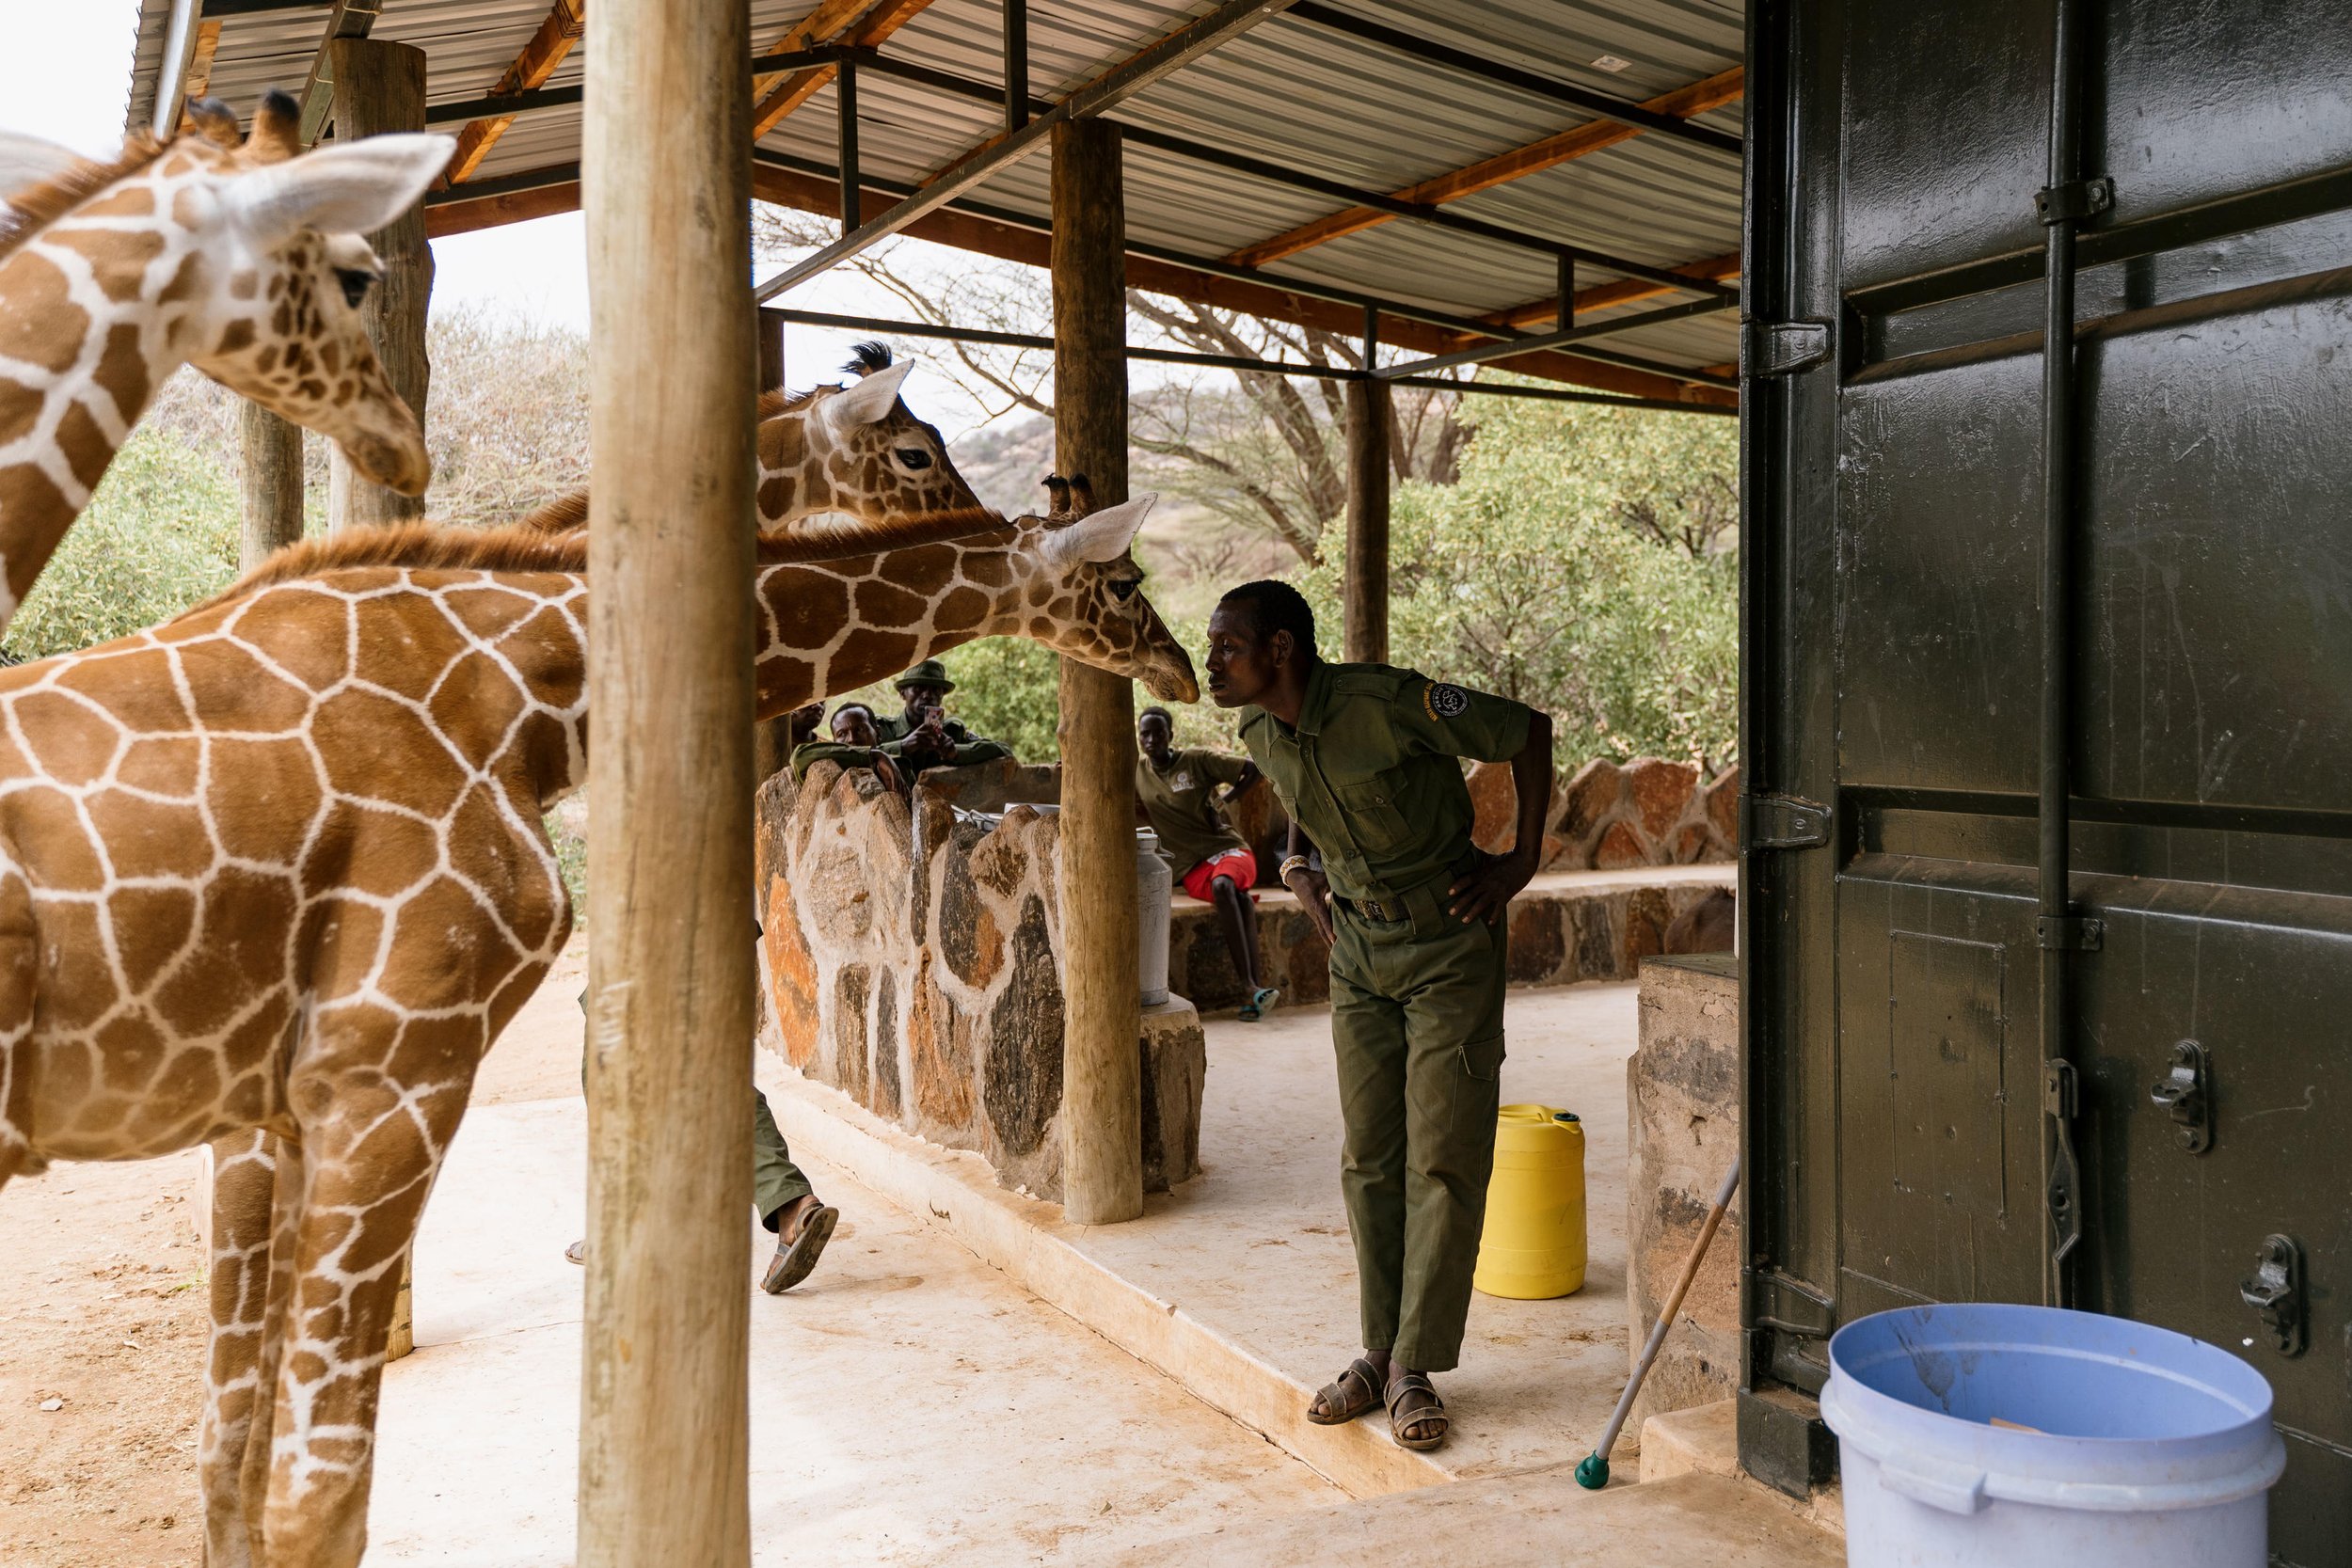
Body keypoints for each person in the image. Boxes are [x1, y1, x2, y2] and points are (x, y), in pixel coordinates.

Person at [1205, 578, 1552, 1454]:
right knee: (1370, 1158)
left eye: (1227, 646)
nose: (1212, 662)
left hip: (1447, 945)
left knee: (1442, 1155)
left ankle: (1412, 1368)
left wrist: (1519, 863)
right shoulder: (1255, 725)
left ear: (1281, 649)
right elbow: (1301, 804)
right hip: (1358, 954)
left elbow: (1527, 731)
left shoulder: (1387, 703)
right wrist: (1297, 869)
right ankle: (1376, 1351)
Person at [1134, 705, 1279, 1021]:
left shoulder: (1196, 761)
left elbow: (1253, 769)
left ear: (1170, 735)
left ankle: (1248, 986)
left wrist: (1223, 801)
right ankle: (1255, 993)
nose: (1150, 739)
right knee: (1237, 898)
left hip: (1230, 851)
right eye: (1144, 733)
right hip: (1192, 868)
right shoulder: (1139, 774)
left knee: (1225, 885)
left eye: (1158, 732)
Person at [789, 701, 910, 792]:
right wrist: (873, 755)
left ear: (878, 734)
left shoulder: (896, 767)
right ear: (835, 742)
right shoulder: (834, 768)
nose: (852, 739)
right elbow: (799, 757)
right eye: (842, 734)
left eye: (860, 730)